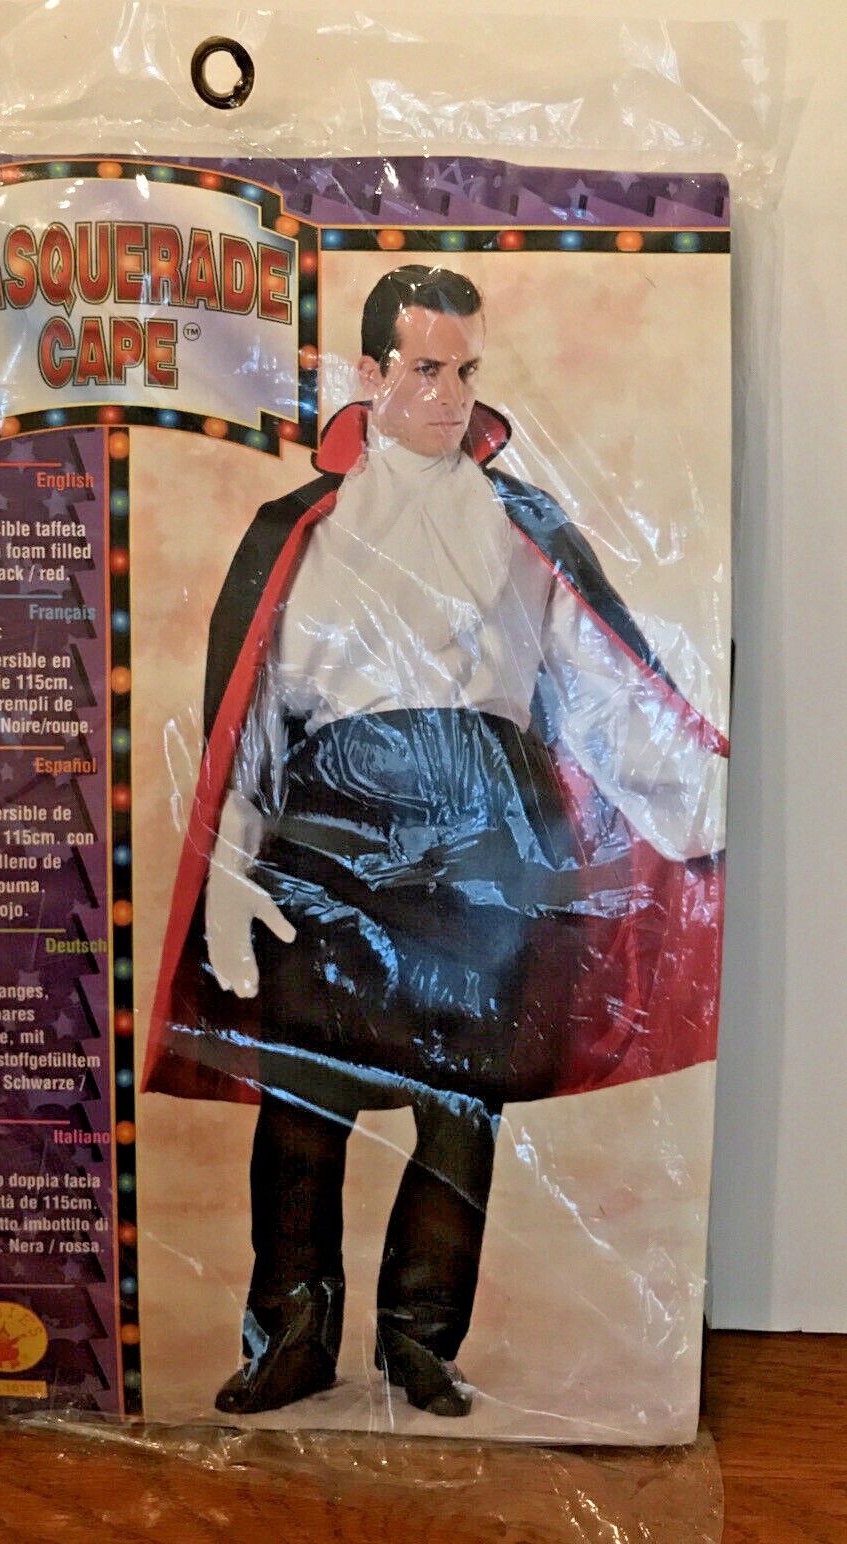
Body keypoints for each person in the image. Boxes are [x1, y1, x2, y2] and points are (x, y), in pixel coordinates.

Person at [142, 265, 727, 1418]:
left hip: (485, 836)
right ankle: (291, 1336)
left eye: (465, 370)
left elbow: (604, 690)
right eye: (424, 369)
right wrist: (226, 876)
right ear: (370, 372)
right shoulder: (295, 529)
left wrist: (711, 799)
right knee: (302, 1094)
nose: (450, 393)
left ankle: (419, 1342)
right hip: (326, 826)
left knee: (461, 1102)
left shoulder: (522, 523)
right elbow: (248, 717)